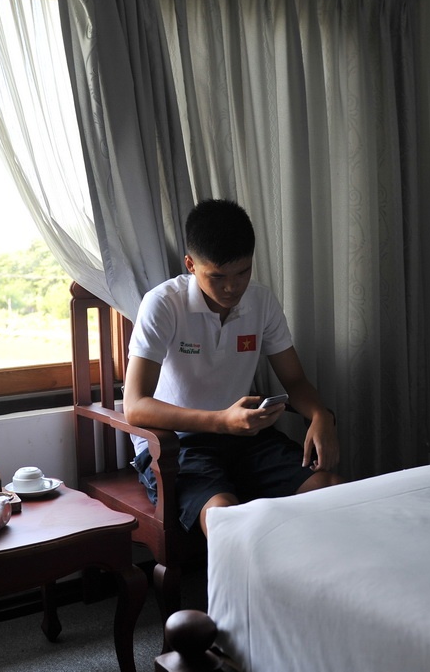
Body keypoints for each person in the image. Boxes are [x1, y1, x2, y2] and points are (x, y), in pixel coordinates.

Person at [123, 198, 342, 536]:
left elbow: (295, 380)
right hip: (176, 444)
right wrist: (221, 421)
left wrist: (320, 415)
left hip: (244, 437)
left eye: (243, 272)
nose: (232, 287)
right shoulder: (163, 304)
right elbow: (135, 406)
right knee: (227, 520)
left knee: (331, 492)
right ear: (191, 265)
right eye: (217, 276)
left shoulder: (261, 301)